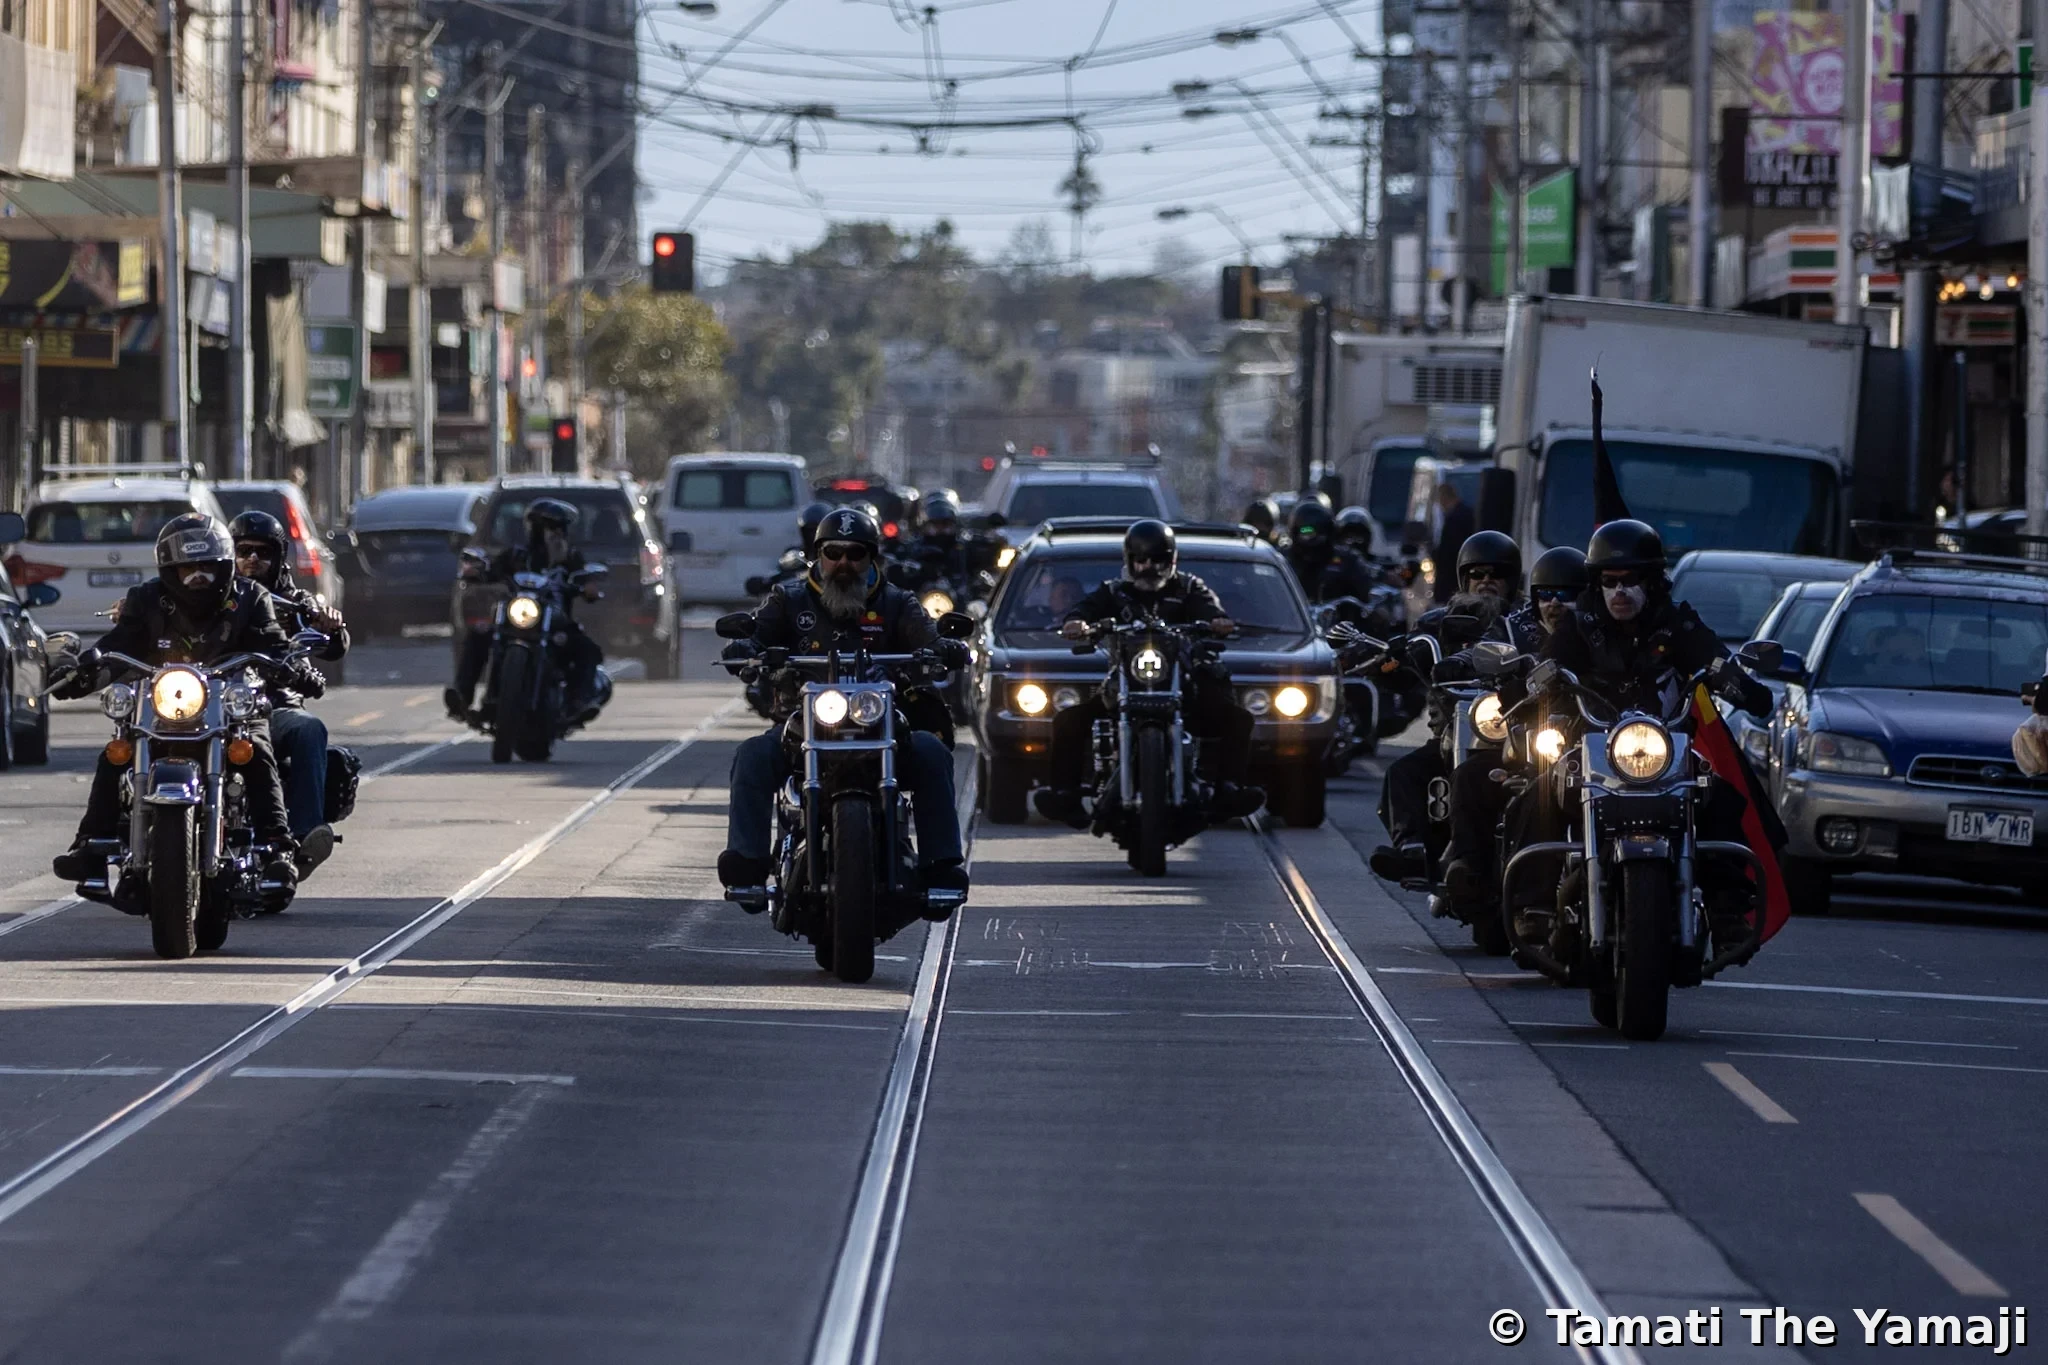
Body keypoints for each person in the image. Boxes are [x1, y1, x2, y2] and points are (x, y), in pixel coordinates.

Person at [1507, 520, 1774, 951]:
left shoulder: (1676, 623)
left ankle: (1728, 913)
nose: (1620, 592)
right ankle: (1533, 906)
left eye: (1631, 581)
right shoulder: (1580, 625)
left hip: (1665, 751)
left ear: (1653, 581)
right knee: (1540, 792)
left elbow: (1716, 660)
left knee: (1721, 799)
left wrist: (1738, 684)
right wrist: (1528, 684)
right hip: (1591, 748)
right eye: (1610, 582)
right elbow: (1544, 668)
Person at [717, 506, 969, 902]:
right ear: (819, 556)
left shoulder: (897, 602)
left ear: (871, 557)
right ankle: (747, 864)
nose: (844, 563)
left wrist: (942, 648)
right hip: (803, 722)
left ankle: (941, 865)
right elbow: (760, 633)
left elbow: (926, 637)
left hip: (884, 721)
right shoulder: (789, 598)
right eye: (833, 553)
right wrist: (747, 647)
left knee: (931, 752)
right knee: (752, 754)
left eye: (855, 553)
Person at [49, 515, 302, 893]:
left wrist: (288, 664)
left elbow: (273, 642)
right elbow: (120, 645)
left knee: (256, 750)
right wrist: (83, 671)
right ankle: (90, 846)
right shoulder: (147, 599)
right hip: (163, 709)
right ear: (170, 570)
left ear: (224, 567)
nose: (197, 577)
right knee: (117, 752)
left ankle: (279, 849)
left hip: (229, 705)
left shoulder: (250, 597)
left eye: (206, 568)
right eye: (187, 568)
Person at [1033, 520, 1264, 827]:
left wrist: (1217, 620)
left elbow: (1209, 608)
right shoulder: (1114, 591)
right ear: (1129, 561)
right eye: (1141, 561)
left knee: (1238, 717)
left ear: (1172, 560)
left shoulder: (1189, 587)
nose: (1149, 568)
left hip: (1182, 682)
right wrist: (1077, 622)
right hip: (1125, 682)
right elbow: (1086, 608)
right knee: (1069, 719)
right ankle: (1066, 795)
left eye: (1158, 561)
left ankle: (1228, 790)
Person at [1436, 546, 1589, 913]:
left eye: (1566, 595)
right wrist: (1458, 663)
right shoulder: (1513, 625)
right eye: (1546, 595)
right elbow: (1485, 649)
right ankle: (1468, 867)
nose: (1555, 604)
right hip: (1529, 742)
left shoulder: (1595, 635)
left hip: (1589, 752)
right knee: (1473, 774)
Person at [1366, 531, 1525, 881]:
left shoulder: (1523, 624)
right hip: (1453, 736)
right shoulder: (1437, 624)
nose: (1486, 582)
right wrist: (1387, 661)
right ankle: (1411, 849)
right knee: (1402, 773)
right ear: (1464, 579)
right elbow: (1401, 671)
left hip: (1519, 738)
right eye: (1477, 575)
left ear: (1511, 580)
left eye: (1495, 575)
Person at [228, 510, 348, 876]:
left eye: (262, 552)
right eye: (244, 550)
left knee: (308, 728)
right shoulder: (209, 599)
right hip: (210, 707)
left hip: (271, 707)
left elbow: (334, 645)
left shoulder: (295, 602)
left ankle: (304, 835)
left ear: (277, 557)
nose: (252, 559)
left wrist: (328, 625)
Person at [446, 498, 604, 724]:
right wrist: (477, 572)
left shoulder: (570, 558)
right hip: (517, 616)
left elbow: (586, 581)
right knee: (479, 634)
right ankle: (462, 697)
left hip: (556, 622)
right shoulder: (516, 555)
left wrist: (589, 588)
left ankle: (577, 703)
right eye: (545, 528)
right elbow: (492, 570)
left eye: (557, 529)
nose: (552, 535)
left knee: (586, 649)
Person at [1283, 499, 1380, 604]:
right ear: (1294, 532)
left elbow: (1366, 588)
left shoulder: (1347, 560)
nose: (1312, 539)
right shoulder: (1282, 560)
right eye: (1307, 532)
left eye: (1319, 533)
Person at [1431, 482, 1477, 603]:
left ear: (1444, 497)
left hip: (1453, 578)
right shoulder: (1465, 513)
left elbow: (1449, 550)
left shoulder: (1456, 518)